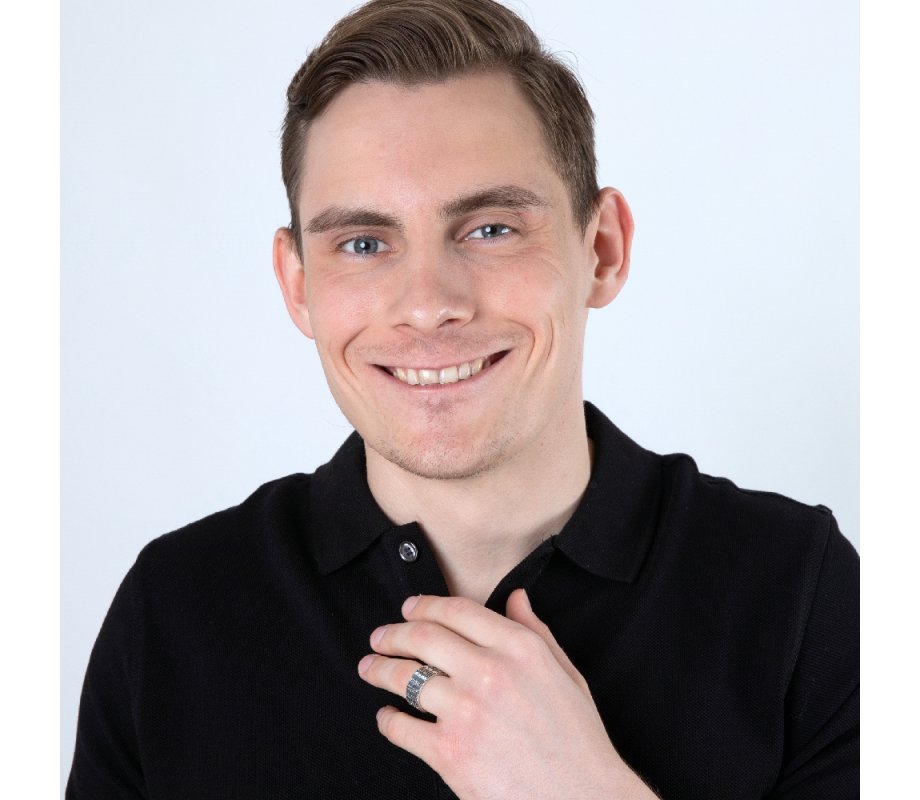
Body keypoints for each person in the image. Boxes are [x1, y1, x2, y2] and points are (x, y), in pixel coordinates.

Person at [66, 0, 859, 797]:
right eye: (364, 244)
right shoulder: (176, 610)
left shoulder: (801, 592)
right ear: (298, 286)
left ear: (603, 250)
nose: (428, 303)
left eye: (489, 229)